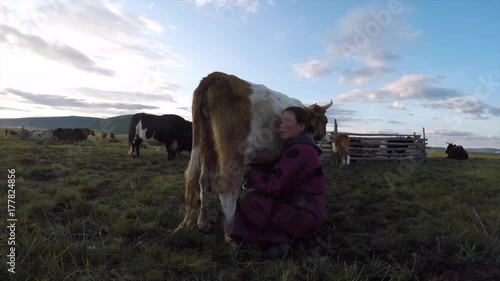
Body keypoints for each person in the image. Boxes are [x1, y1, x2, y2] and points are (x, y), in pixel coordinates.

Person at [230, 106, 326, 258]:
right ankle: (292, 236)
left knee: (250, 201)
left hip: (302, 216)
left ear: (301, 127)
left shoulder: (300, 151)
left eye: (287, 121)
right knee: (259, 201)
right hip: (309, 211)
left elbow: (273, 185)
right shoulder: (302, 148)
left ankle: (275, 240)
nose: (281, 125)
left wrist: (250, 172)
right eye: (281, 121)